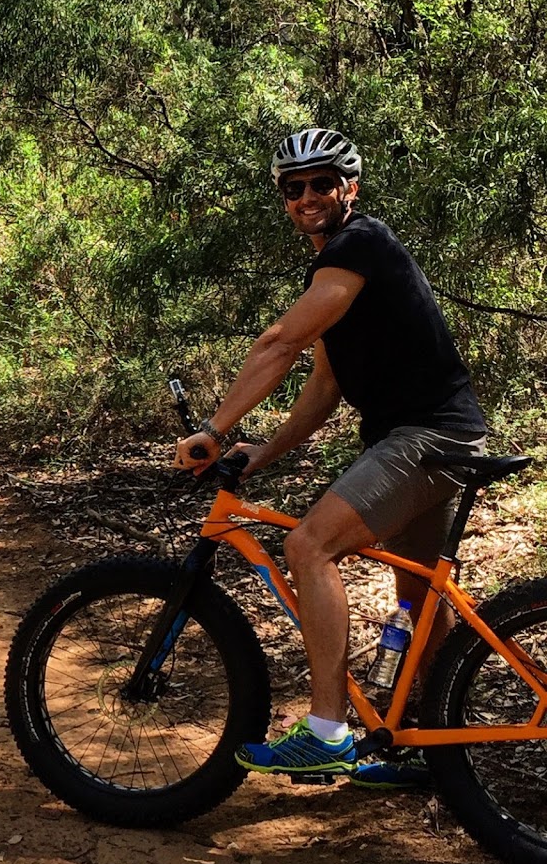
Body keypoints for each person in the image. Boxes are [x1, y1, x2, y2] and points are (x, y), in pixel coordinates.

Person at [173, 128, 486, 789]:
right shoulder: (344, 271)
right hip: (435, 438)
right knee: (421, 595)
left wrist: (213, 428)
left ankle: (327, 733)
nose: (308, 197)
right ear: (284, 200)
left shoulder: (357, 245)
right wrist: (260, 453)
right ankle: (434, 750)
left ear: (351, 188)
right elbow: (322, 388)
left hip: (426, 439)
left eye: (322, 183)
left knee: (309, 547)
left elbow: (281, 341)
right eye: (294, 188)